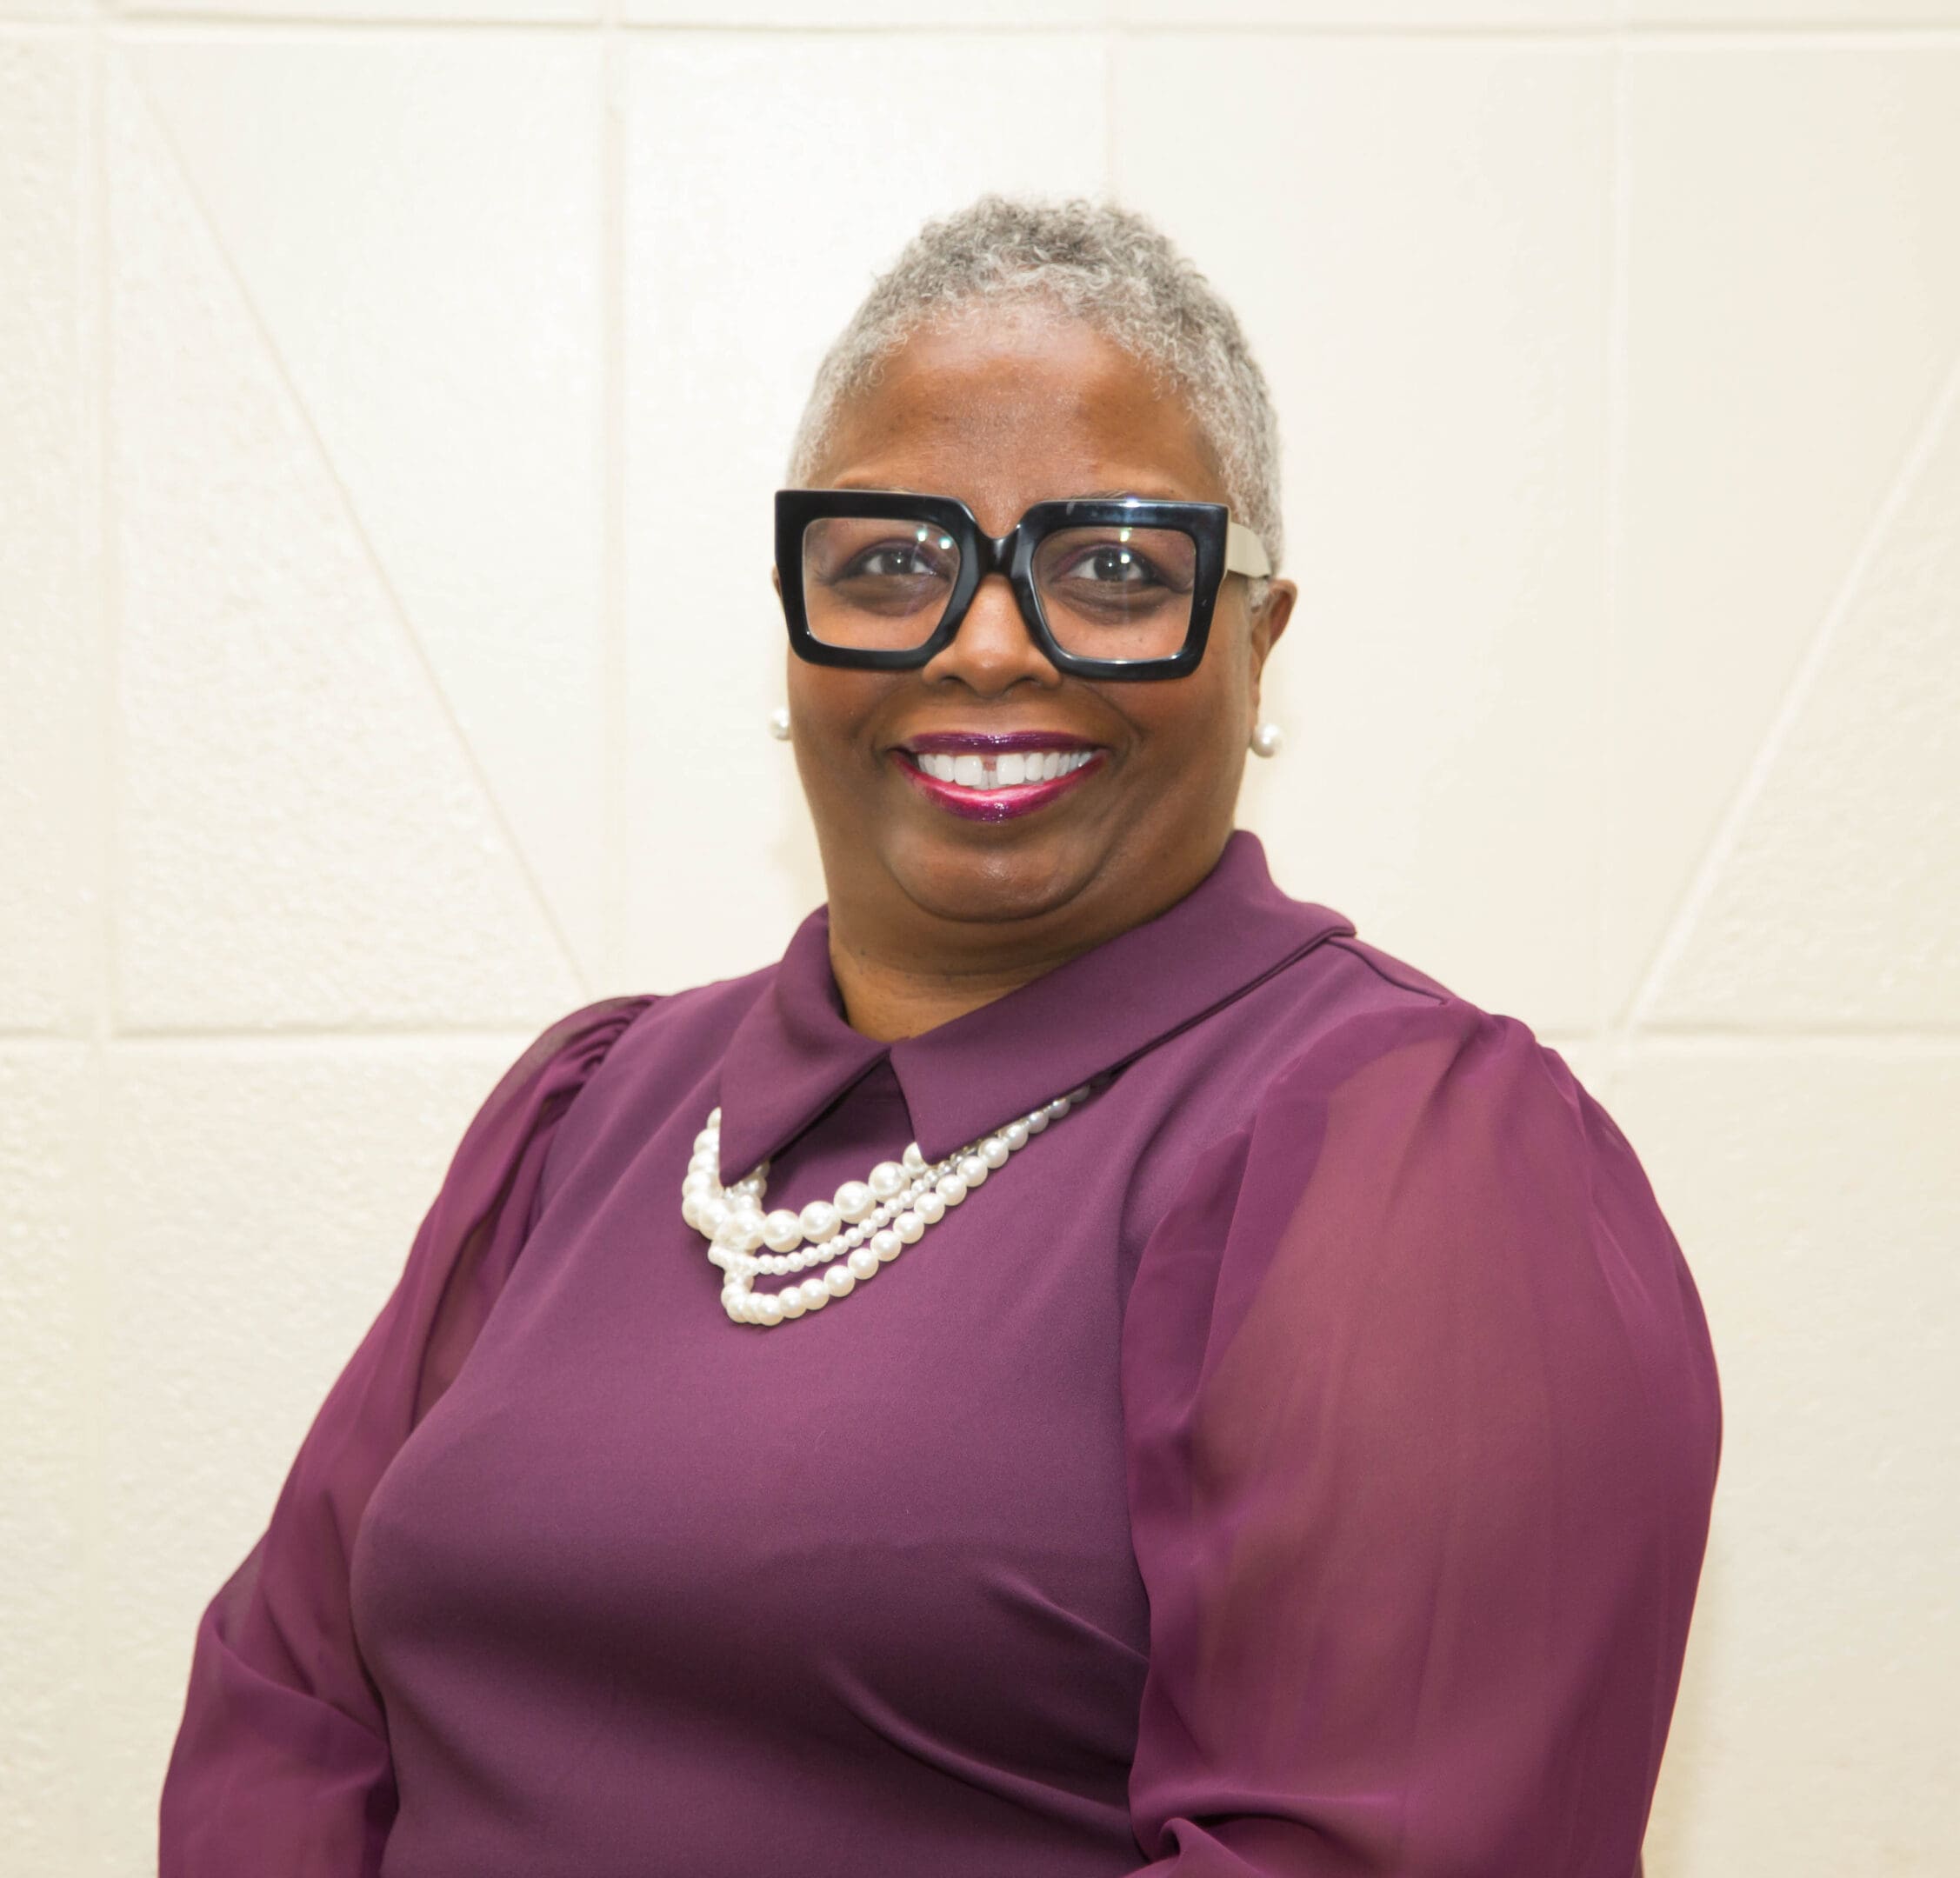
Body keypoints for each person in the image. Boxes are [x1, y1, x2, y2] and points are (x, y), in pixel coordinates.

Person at [159, 195, 1722, 1877]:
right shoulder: (590, 1112)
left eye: (1110, 569)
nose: (985, 643)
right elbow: (290, 1706)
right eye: (892, 561)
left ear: (1256, 647)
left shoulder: (1407, 1154)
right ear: (793, 624)